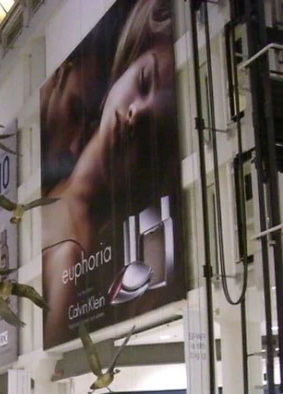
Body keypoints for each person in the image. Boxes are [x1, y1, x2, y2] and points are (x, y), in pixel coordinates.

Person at [41, 0, 179, 347]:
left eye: (152, 134)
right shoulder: (54, 183)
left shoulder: (74, 256)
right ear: (126, 69)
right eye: (144, 82)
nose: (134, 115)